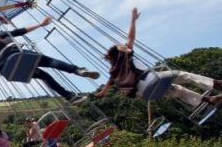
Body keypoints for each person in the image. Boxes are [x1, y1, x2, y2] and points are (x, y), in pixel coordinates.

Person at [94, 7, 222, 108]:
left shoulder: (113, 73)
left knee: (177, 90)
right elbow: (130, 38)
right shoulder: (124, 56)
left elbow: (104, 92)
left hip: (146, 94)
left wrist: (99, 95)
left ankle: (208, 99)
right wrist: (133, 20)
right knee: (184, 76)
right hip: (152, 81)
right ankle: (216, 84)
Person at [0, 16, 99, 105]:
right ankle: (77, 70)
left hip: (9, 71)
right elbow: (21, 31)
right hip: (16, 56)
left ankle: (69, 97)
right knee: (50, 62)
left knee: (43, 76)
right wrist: (40, 24)